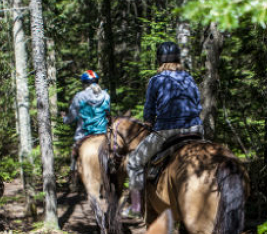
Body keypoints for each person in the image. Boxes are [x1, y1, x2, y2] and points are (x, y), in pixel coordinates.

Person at [125, 41, 203, 216]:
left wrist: (148, 121)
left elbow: (149, 108)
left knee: (134, 162)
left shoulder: (156, 80)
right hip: (196, 129)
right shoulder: (189, 78)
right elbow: (198, 105)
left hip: (167, 130)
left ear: (159, 60)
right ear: (178, 58)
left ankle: (136, 208)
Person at [63, 70, 111, 172]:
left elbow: (71, 117)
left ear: (84, 83)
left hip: (83, 134)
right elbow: (107, 114)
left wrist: (65, 119)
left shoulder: (79, 96)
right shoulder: (106, 96)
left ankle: (73, 179)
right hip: (102, 134)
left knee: (74, 157)